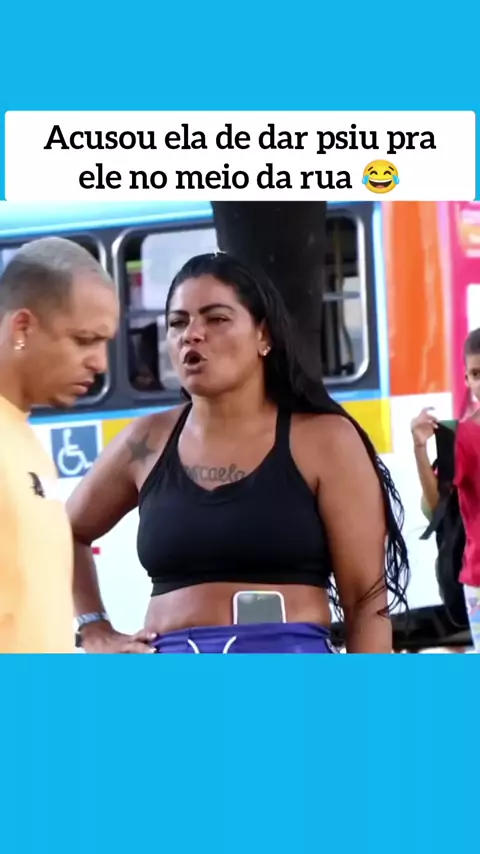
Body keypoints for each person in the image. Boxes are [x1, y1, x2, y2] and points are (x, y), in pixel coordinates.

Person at [68, 252, 409, 654]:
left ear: (264, 335)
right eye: (178, 322)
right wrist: (93, 628)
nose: (192, 334)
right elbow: (64, 532)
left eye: (216, 319)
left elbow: (365, 601)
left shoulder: (325, 439)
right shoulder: (146, 439)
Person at [0, 237, 119, 653]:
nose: (100, 363)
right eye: (84, 340)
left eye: (104, 343)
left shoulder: (21, 434)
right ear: (22, 328)